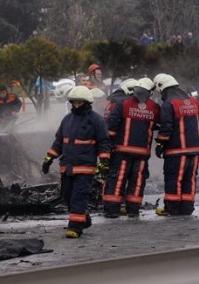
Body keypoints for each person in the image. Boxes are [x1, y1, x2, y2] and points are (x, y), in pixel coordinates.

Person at [41, 86, 110, 238]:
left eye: (80, 103)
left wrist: (104, 162)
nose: (77, 105)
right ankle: (83, 217)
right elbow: (59, 141)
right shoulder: (67, 120)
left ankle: (75, 227)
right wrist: (49, 158)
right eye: (74, 102)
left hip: (85, 168)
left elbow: (104, 142)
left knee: (79, 196)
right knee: (67, 195)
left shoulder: (96, 120)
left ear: (87, 103)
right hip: (67, 167)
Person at [103, 78, 159, 218]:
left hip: (122, 151)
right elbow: (160, 125)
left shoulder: (123, 103)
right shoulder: (154, 107)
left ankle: (112, 210)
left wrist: (108, 148)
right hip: (142, 153)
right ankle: (133, 210)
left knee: (118, 179)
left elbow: (112, 127)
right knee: (138, 181)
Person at [153, 73, 199, 216]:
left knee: (174, 178)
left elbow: (166, 127)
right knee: (189, 179)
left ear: (161, 87)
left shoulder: (169, 104)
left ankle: (172, 208)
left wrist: (160, 143)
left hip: (176, 150)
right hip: (195, 150)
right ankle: (187, 208)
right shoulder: (194, 101)